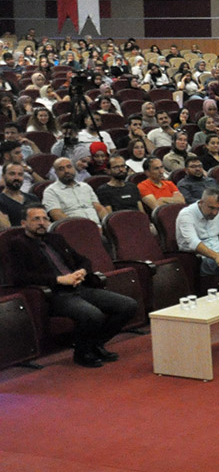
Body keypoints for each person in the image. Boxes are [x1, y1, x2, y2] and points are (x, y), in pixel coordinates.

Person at [7, 205, 139, 367]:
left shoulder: (56, 239)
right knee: (93, 314)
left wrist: (81, 272)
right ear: (23, 223)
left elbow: (83, 260)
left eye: (45, 219)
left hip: (80, 286)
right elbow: (20, 277)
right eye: (36, 219)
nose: (42, 223)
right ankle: (82, 353)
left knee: (128, 305)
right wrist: (60, 280)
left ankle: (94, 344)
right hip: (54, 294)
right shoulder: (17, 244)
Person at [42, 157, 105, 225]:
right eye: (61, 169)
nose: (66, 171)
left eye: (69, 167)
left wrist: (107, 224)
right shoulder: (51, 191)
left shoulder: (85, 187)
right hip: (74, 229)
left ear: (74, 169)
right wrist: (85, 227)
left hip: (98, 226)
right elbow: (57, 215)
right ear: (56, 173)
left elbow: (99, 209)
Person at [0, 162, 40, 228]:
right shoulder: (1, 200)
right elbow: (7, 229)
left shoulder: (33, 198)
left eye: (20, 174)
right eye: (12, 174)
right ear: (3, 176)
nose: (17, 178)